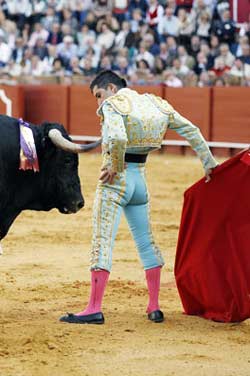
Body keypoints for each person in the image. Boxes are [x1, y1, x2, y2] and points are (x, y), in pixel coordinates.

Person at [60, 70, 218, 325]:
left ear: (111, 88)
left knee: (102, 240)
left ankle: (93, 307)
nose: (99, 103)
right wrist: (208, 163)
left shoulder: (113, 105)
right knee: (147, 242)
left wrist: (113, 163)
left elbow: (119, 137)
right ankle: (154, 306)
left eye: (99, 95)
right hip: (140, 183)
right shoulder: (157, 104)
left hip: (116, 183)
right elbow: (192, 130)